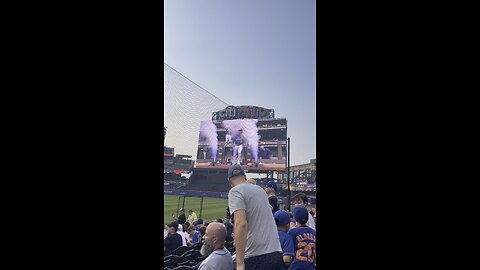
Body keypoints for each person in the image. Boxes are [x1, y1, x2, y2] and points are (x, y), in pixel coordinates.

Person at [227, 164, 283, 270]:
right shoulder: (260, 190)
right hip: (276, 254)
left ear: (230, 181)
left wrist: (239, 263)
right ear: (244, 177)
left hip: (256, 256)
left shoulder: (235, 191)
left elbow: (241, 224)